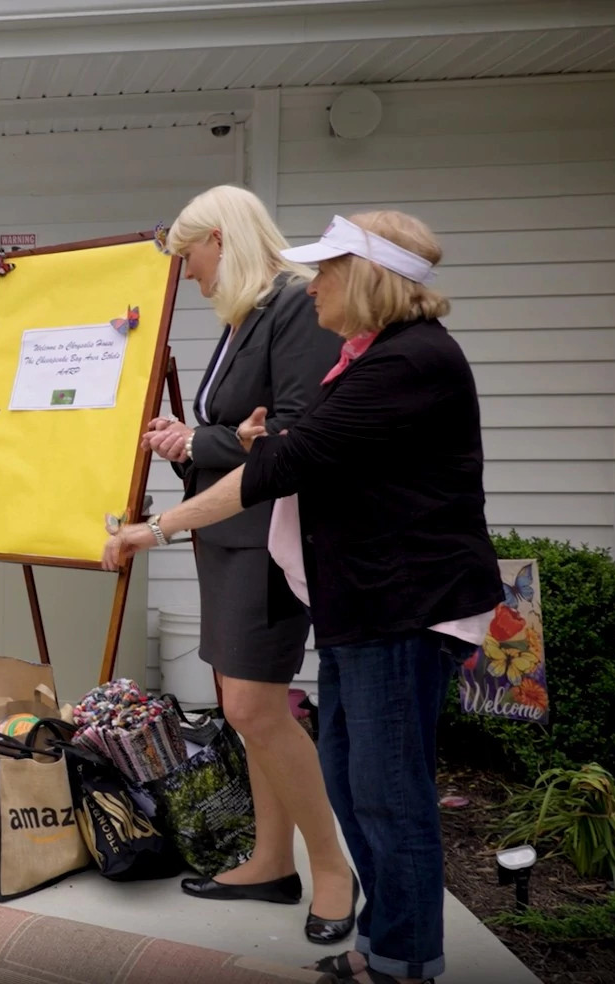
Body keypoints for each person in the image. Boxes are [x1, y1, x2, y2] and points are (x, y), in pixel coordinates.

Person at [104, 211, 499, 984]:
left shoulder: (409, 362)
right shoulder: (369, 357)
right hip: (362, 608)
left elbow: (293, 461)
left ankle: (404, 961)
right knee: (357, 782)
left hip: (401, 609)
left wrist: (153, 530)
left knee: (390, 796)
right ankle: (387, 944)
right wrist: (262, 440)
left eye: (326, 272)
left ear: (367, 280)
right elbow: (301, 444)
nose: (312, 285)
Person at [146, 185, 356, 942]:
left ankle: (331, 871)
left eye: (191, 258)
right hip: (227, 536)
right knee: (246, 708)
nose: (190, 275)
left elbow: (292, 435)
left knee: (254, 709)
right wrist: (199, 438)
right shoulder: (247, 318)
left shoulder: (296, 308)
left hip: (268, 536)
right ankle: (271, 861)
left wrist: (204, 442)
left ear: (223, 239)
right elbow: (237, 433)